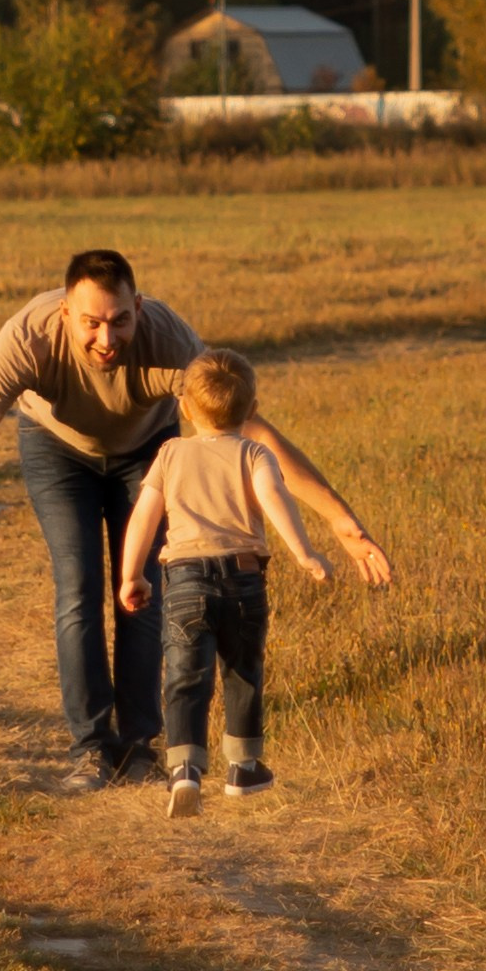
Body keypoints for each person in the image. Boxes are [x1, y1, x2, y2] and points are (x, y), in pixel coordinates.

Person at [0, 246, 389, 787]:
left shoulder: (171, 342)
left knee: (147, 585)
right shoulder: (27, 340)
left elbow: (253, 433)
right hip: (57, 449)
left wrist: (342, 523)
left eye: (120, 321)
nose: (106, 340)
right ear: (65, 313)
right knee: (78, 585)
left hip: (148, 449)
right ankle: (90, 746)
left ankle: (139, 746)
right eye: (91, 324)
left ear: (139, 305)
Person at [117, 345, 328, 818]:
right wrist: (305, 553)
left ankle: (184, 770)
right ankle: (243, 767)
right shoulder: (255, 452)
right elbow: (276, 500)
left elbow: (144, 518)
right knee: (243, 671)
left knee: (185, 678)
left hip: (185, 579)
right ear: (252, 411)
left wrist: (132, 575)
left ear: (184, 408)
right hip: (244, 579)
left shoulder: (171, 453)